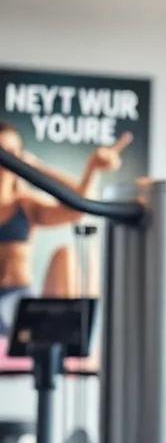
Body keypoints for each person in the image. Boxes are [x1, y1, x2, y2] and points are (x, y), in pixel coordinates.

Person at [0, 123, 131, 338]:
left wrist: (91, 169)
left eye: (13, 153)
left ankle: (69, 355)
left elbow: (79, 205)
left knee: (66, 257)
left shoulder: (26, 205)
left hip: (19, 301)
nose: (7, 161)